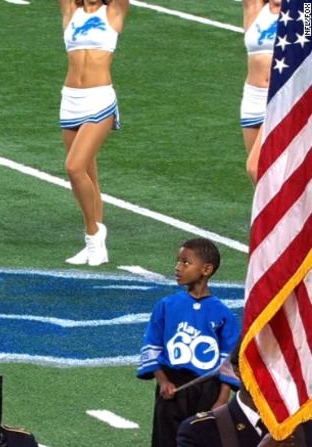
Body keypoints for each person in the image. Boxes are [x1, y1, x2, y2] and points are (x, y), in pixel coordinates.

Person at [137, 238, 241, 447]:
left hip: (207, 388)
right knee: (165, 441)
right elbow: (152, 345)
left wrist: (222, 399)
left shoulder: (222, 313)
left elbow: (228, 360)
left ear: (206, 269)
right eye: (178, 261)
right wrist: (163, 381)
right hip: (172, 387)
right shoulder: (166, 305)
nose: (178, 267)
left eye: (185, 262)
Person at [58, 0, 129, 266]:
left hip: (99, 100)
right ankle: (95, 243)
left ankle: (93, 234)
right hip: (70, 100)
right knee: (87, 174)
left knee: (73, 168)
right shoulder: (70, 11)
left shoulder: (113, 11)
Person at [177, 339, 312, 447]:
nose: (274, 375)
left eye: (282, 366)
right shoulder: (200, 430)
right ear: (237, 370)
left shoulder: (306, 425)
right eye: (262, 365)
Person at [242, 0, 280, 184]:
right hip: (252, 98)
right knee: (261, 180)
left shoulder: (303, 11)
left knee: (255, 168)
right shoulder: (256, 9)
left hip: (280, 97)